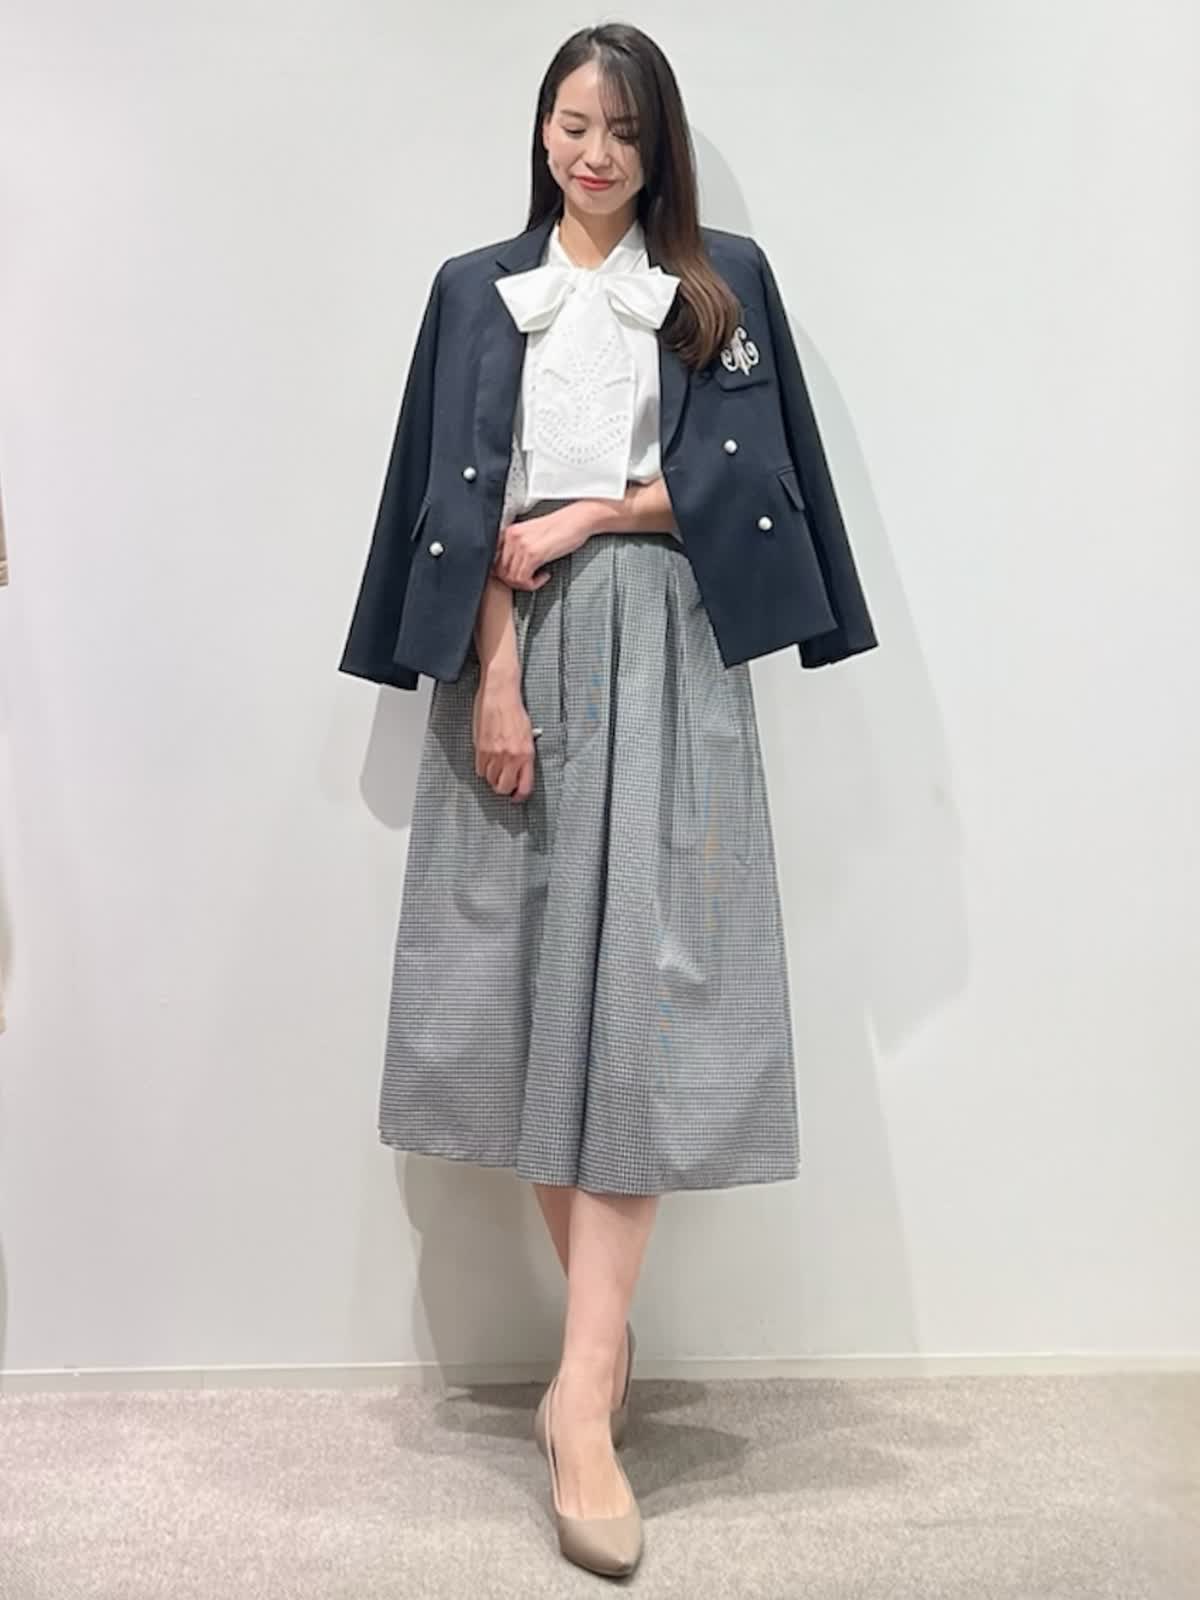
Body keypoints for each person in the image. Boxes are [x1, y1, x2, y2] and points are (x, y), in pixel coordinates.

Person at [339, 22, 877, 1579]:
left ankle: (581, 1398)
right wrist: (495, 674)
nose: (595, 154)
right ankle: (602, 1352)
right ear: (542, 131)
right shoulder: (475, 291)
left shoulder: (719, 284)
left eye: (624, 132)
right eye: (574, 123)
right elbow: (459, 504)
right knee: (525, 1001)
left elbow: (751, 484)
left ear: (660, 148)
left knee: (648, 1001)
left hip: (673, 652)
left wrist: (593, 516)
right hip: (515, 655)